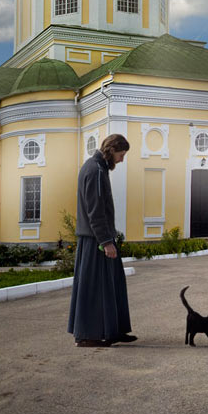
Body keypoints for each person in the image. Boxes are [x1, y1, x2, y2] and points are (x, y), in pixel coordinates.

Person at [68, 134, 136, 347]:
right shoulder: (95, 170)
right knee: (93, 288)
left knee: (111, 285)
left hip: (99, 237)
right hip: (95, 240)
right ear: (112, 150)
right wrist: (106, 241)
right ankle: (87, 335)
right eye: (121, 154)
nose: (122, 160)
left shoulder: (97, 168)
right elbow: (95, 211)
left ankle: (113, 330)